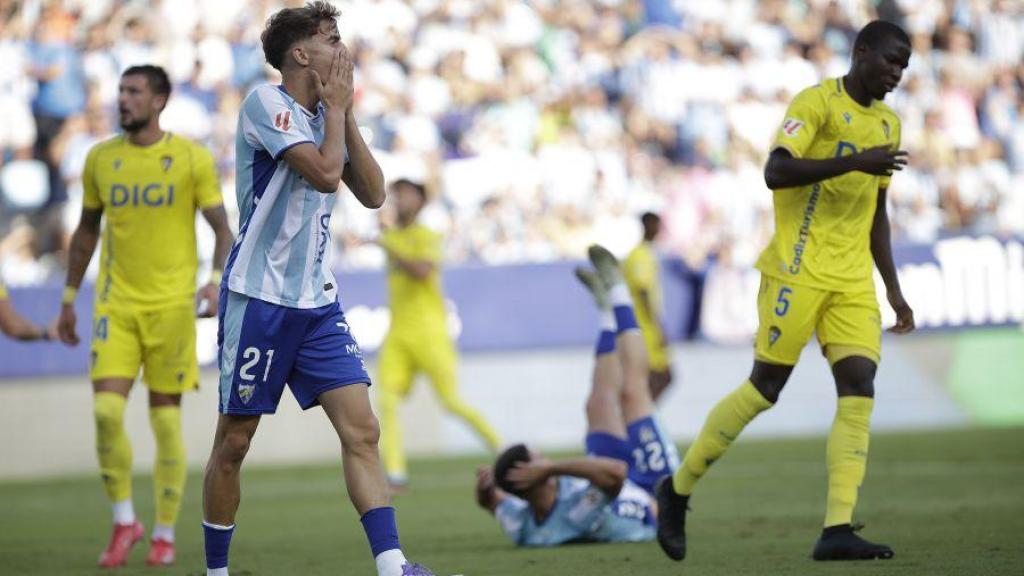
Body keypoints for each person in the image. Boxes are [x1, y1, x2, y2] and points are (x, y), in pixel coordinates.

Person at [656, 20, 915, 563]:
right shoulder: (816, 103)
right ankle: (677, 491)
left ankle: (837, 528)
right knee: (765, 387)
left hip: (850, 281)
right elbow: (776, 172)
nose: (897, 72)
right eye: (891, 60)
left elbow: (878, 215)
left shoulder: (889, 124)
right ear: (861, 51)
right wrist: (852, 161)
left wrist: (894, 290)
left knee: (859, 384)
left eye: (905, 66)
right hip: (796, 270)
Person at [200, 4, 434, 576]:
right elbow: (327, 174)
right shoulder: (267, 104)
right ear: (301, 54)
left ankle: (393, 565)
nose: (343, 50)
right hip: (260, 299)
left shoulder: (329, 114)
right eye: (332, 39)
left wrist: (343, 111)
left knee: (363, 429)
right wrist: (334, 111)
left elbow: (374, 194)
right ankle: (216, 572)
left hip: (317, 301)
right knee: (234, 443)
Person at [57, 64, 233, 568]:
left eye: (134, 92)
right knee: (106, 413)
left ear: (159, 100)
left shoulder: (189, 158)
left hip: (172, 307)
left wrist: (215, 281)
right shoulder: (100, 159)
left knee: (164, 420)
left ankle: (163, 532)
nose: (124, 99)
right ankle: (124, 520)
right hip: (116, 304)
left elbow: (222, 228)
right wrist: (69, 299)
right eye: (121, 91)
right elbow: (86, 232)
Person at [475, 245, 678, 546]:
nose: (543, 459)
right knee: (633, 393)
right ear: (533, 477)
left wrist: (488, 494)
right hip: (653, 492)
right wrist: (552, 467)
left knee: (596, 404)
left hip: (606, 480)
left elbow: (497, 505)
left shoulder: (523, 524)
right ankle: (619, 290)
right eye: (537, 461)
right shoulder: (572, 517)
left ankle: (606, 313)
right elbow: (615, 473)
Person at [377, 178, 501, 489]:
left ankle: (502, 448)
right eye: (396, 194)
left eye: (405, 194)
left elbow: (422, 271)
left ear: (421, 201)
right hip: (398, 334)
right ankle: (395, 472)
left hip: (430, 333)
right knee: (386, 401)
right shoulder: (392, 236)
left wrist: (389, 246)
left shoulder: (427, 236)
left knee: (450, 402)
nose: (399, 200)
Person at [623, 212, 673, 401]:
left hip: (645, 324)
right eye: (657, 225)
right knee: (662, 375)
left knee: (655, 377)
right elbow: (643, 292)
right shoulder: (640, 255)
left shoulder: (645, 254)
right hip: (644, 326)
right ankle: (640, 417)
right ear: (649, 226)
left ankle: (640, 417)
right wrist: (657, 326)